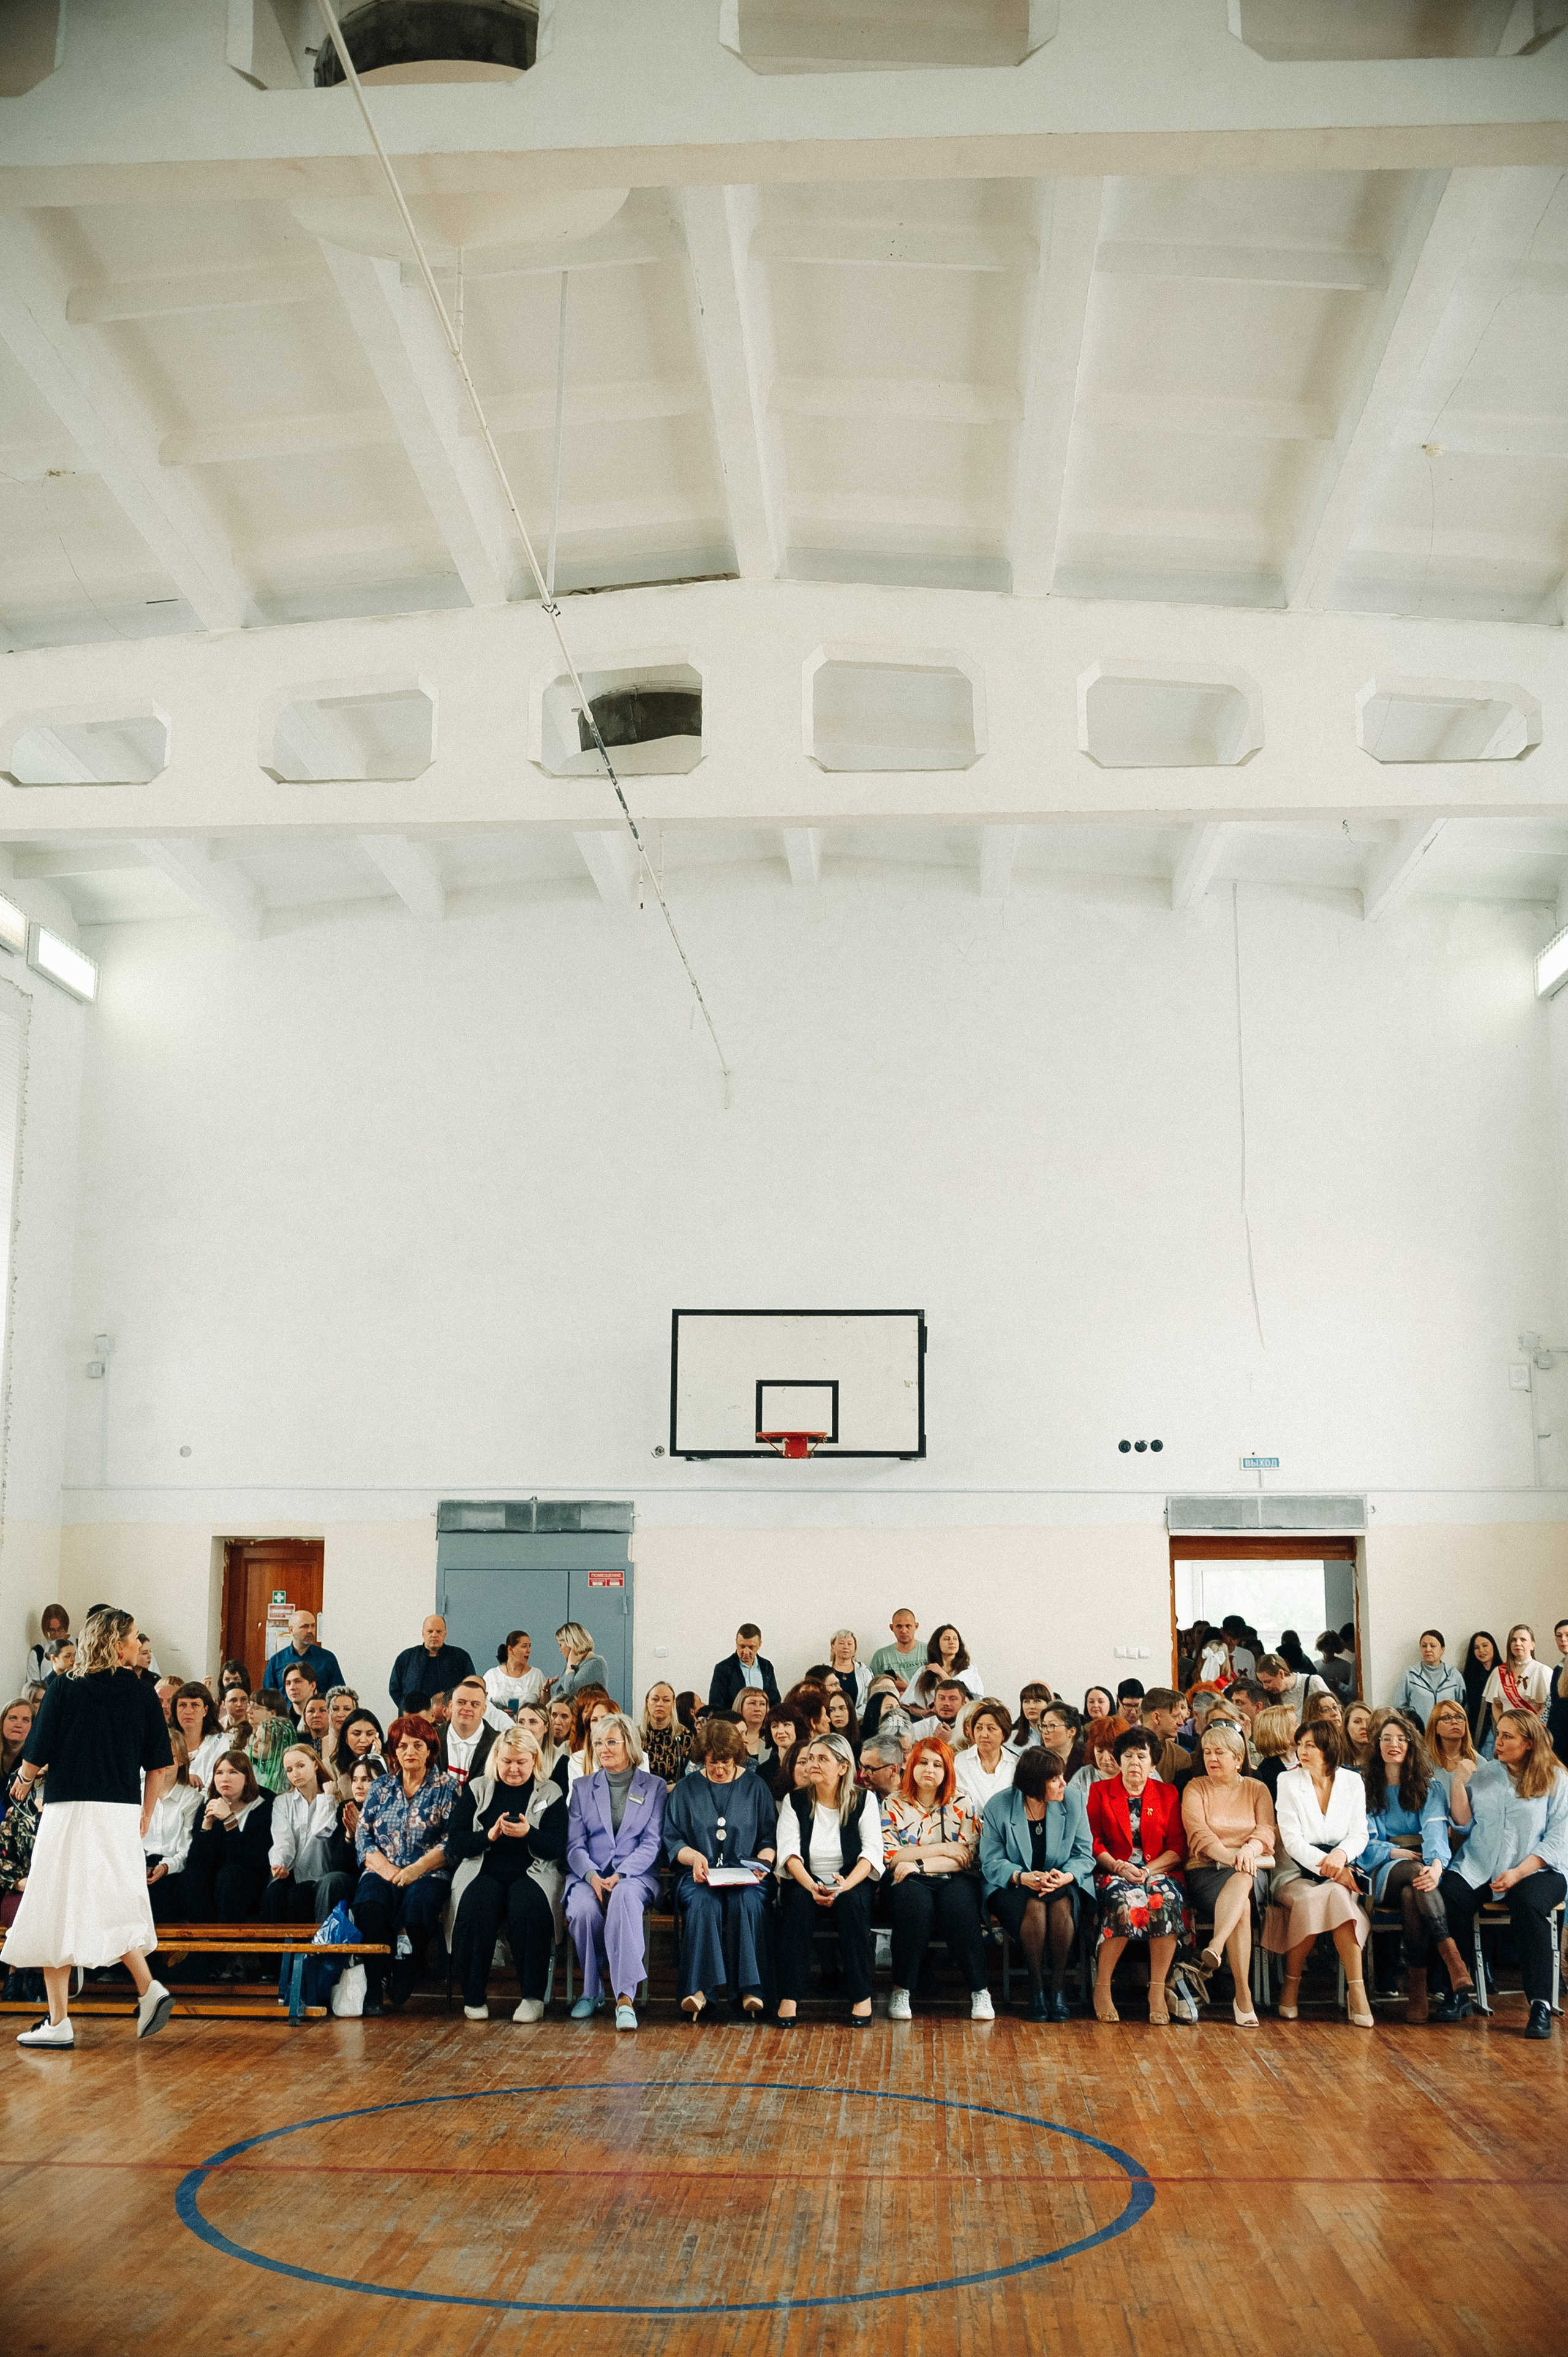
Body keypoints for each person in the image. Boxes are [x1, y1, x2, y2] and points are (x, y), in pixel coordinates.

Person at [4, 1608, 176, 2048]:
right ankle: (145, 1987)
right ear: (117, 1645)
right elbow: (160, 1765)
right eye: (136, 1638)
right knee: (110, 1899)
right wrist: (146, 1813)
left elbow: (38, 1748)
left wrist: (23, 1780)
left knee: (53, 1904)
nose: (140, 1645)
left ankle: (61, 2020)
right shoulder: (141, 1694)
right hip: (120, 1811)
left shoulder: (65, 1687)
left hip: (69, 1810)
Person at [1440, 1708, 1568, 2041]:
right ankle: (1461, 1988)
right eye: (1498, 1733)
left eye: (1507, 1736)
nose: (1498, 1741)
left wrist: (1517, 1873)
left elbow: (1559, 1839)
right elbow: (1463, 1824)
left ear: (1528, 1743)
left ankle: (1540, 2002)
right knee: (1451, 1894)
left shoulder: (1556, 1777)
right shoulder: (1486, 1773)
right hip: (1482, 1863)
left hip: (1540, 1868)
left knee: (1528, 1904)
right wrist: (1458, 1778)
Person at [447, 1724, 568, 2024]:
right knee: (475, 1906)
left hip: (533, 1871)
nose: (514, 1769)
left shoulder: (551, 1792)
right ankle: (473, 1996)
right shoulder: (477, 1788)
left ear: (534, 1761)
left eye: (521, 1762)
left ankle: (532, 1997)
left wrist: (529, 1834)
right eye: (507, 1762)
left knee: (528, 1907)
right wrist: (488, 1837)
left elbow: (557, 1846)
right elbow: (457, 1841)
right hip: (483, 1869)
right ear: (496, 1760)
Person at [1357, 1714, 1470, 2023]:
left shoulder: (1429, 1787)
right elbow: (1364, 1840)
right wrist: (1399, 1852)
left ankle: (1417, 1991)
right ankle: (1451, 1955)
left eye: (1401, 1739)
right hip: (1382, 1865)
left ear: (1411, 1746)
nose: (1394, 1745)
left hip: (1421, 1868)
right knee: (1410, 1873)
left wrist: (1436, 1866)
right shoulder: (1363, 1787)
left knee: (1412, 1894)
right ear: (1377, 1745)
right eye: (1386, 1739)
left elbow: (1435, 1830)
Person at [663, 1717, 778, 2019]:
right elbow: (673, 1840)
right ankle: (699, 1990)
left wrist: (763, 1864)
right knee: (702, 1904)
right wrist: (694, 1859)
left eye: (725, 1762)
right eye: (712, 1763)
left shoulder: (755, 1786)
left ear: (737, 1757)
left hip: (749, 1877)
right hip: (699, 1875)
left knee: (748, 1903)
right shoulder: (686, 1790)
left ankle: (752, 1989)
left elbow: (769, 1838)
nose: (718, 1769)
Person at [1266, 1718, 1373, 2027]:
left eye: (1310, 1745)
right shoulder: (1287, 1782)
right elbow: (1293, 1841)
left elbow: (1360, 1834)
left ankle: (1345, 1990)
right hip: (1294, 1872)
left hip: (1341, 1868)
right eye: (1300, 1745)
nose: (1302, 1751)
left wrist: (1340, 1856)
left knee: (1333, 1897)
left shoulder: (1353, 1782)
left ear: (1328, 1748)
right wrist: (1332, 1871)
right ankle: (1341, 1989)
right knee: (1320, 1897)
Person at [564, 1711, 666, 2030]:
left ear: (629, 1745)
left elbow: (652, 1843)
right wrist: (592, 1876)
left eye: (611, 1742)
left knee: (622, 1898)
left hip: (635, 1875)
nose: (604, 1749)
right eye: (598, 1743)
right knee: (582, 1910)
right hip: (588, 1873)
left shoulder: (654, 1786)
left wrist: (621, 1873)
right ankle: (591, 1990)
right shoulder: (582, 1788)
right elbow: (574, 1845)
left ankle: (624, 1998)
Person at [879, 1736, 991, 2021]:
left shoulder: (962, 1802)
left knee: (960, 1908)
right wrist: (943, 1848)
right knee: (914, 1907)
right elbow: (891, 1856)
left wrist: (917, 1863)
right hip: (909, 1881)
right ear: (911, 1765)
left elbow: (966, 1857)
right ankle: (901, 1988)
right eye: (923, 1762)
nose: (930, 1769)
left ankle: (980, 1991)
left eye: (938, 1764)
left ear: (947, 1770)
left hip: (953, 1877)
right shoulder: (892, 1803)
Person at [350, 1714, 456, 2013]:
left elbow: (452, 1841)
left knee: (419, 1903)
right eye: (402, 1745)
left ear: (430, 1749)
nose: (410, 1751)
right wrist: (388, 1870)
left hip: (428, 1873)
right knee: (370, 1905)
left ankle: (408, 1968)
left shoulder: (447, 1787)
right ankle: (373, 1985)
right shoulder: (380, 1787)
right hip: (382, 1869)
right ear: (394, 1752)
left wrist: (416, 1869)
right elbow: (363, 1836)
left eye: (417, 1745)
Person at [775, 1733, 883, 2027]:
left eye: (822, 1758)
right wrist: (811, 1885)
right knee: (797, 1906)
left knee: (851, 1905)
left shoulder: (864, 1800)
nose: (813, 1764)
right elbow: (789, 1853)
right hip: (805, 1880)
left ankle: (861, 1996)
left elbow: (872, 1853)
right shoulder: (795, 1800)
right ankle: (789, 1997)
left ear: (843, 1767)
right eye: (810, 1758)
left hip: (851, 1880)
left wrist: (845, 1884)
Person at [979, 1748, 1091, 2021]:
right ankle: (1036, 1987)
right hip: (1012, 1884)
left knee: (1061, 1904)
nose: (1064, 1783)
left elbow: (1084, 1854)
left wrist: (1066, 1876)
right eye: (1055, 1779)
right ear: (1034, 1783)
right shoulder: (999, 1806)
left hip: (1061, 1879)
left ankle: (1058, 1988)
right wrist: (1021, 1876)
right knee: (1035, 1906)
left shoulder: (1074, 1800)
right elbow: (990, 1861)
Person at [1085, 1727, 1188, 2026]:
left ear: (1153, 1763)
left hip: (1156, 1870)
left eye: (1141, 1756)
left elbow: (1178, 1846)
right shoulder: (1100, 1792)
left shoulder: (1168, 1793)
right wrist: (1119, 1867)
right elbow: (1092, 1842)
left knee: (1165, 1899)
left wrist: (1148, 1871)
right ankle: (1103, 1987)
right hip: (1113, 1870)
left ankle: (1157, 1990)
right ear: (1118, 1760)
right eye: (1128, 1756)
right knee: (1122, 1901)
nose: (1134, 1763)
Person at [1182, 1719, 1274, 2027]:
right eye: (1207, 1752)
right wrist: (1236, 1856)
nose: (1212, 1759)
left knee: (1245, 1885)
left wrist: (1250, 1850)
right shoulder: (1196, 1787)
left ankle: (1216, 1946)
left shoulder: (1257, 1788)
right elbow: (1200, 1835)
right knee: (1243, 1900)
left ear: (1238, 1759)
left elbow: (1266, 1830)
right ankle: (1243, 1994)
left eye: (1220, 1752)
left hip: (1252, 1867)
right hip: (1208, 1870)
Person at [183, 1749, 274, 1945]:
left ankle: (227, 1951)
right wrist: (206, 1825)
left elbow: (252, 1859)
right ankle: (206, 1947)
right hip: (218, 1880)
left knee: (231, 1875)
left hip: (251, 1880)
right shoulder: (211, 1804)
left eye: (233, 1772)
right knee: (191, 1878)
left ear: (247, 1778)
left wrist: (230, 1821)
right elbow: (197, 1862)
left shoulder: (265, 1804)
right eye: (219, 1773)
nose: (225, 1778)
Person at [260, 1744, 342, 1925]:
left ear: (315, 1765)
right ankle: (270, 1953)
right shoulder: (283, 1802)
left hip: (319, 1874)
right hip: (291, 1872)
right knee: (273, 1895)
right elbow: (283, 1840)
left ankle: (304, 1953)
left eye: (300, 1766)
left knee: (299, 1897)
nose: (295, 1774)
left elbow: (322, 1831)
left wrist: (327, 1798)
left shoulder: (332, 1800)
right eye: (289, 1770)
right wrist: (280, 1863)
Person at [143, 1729, 203, 1924]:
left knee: (162, 1892)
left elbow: (186, 1849)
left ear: (182, 1761)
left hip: (172, 1868)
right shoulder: (138, 1794)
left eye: (170, 1756)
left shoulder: (191, 1799)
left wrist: (166, 1867)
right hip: (140, 1865)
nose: (162, 1761)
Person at [388, 1616, 477, 1716]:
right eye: (430, 1631)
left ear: (445, 1633)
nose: (434, 1635)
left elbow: (470, 1688)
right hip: (413, 1719)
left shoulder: (460, 1657)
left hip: (449, 1718)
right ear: (423, 1633)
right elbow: (394, 1689)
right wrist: (408, 1709)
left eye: (439, 1632)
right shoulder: (406, 1657)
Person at [1482, 1624, 1552, 1733]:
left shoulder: (1542, 1671)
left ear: (1533, 1645)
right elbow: (1496, 1705)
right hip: (1507, 1731)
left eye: (1523, 1640)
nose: (1518, 1643)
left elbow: (1545, 1708)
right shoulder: (1499, 1672)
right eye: (1513, 1640)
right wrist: (1505, 1727)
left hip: (1532, 1731)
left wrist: (1530, 1730)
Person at [263, 1608, 343, 1701]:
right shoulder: (276, 1661)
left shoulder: (328, 1659)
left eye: (313, 1626)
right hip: (286, 1715)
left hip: (318, 1714)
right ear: (291, 1630)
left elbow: (339, 1696)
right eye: (305, 1626)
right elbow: (268, 1699)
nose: (310, 1630)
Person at [438, 1677, 499, 1790]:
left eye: (475, 1704)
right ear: (451, 1706)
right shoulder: (432, 1738)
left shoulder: (499, 1744)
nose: (467, 1708)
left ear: (483, 1710)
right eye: (462, 1702)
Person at [1392, 1630, 1466, 1721]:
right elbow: (1399, 1709)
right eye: (1424, 1646)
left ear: (1442, 1650)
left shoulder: (1454, 1675)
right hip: (1419, 1733)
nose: (1428, 1649)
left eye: (1433, 1646)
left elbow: (1463, 1707)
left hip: (1447, 1732)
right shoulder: (1410, 1675)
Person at [954, 1700, 1015, 1809]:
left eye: (991, 1729)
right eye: (979, 1728)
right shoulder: (960, 1761)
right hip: (971, 1823)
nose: (984, 1734)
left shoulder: (1015, 1763)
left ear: (1004, 1734)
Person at [707, 1623, 781, 1714]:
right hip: (734, 1724)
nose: (746, 1652)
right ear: (736, 1642)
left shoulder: (766, 1666)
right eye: (742, 1646)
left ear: (759, 1645)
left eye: (751, 1647)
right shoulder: (723, 1668)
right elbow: (716, 1705)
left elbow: (775, 1699)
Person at [170, 1682, 225, 1792]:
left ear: (205, 1711)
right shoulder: (166, 1739)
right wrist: (184, 1780)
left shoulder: (218, 1741)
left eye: (195, 1705)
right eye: (182, 1705)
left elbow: (216, 1783)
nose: (188, 1711)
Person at [912, 1626, 984, 1707]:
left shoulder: (969, 1669)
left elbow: (963, 1694)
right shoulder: (924, 1671)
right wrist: (924, 1713)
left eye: (955, 1639)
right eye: (947, 1639)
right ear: (937, 1644)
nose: (952, 1642)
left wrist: (941, 1672)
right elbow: (910, 1704)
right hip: (931, 1718)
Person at [1139, 1689, 1196, 1790]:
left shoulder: (1180, 1757)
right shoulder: (1122, 1750)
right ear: (1156, 1717)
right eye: (1175, 1717)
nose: (1181, 1723)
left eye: (1181, 1717)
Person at [485, 1630, 547, 1721]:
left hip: (526, 1731)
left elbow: (543, 1709)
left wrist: (546, 1690)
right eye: (524, 1646)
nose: (528, 1651)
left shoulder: (536, 1675)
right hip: (497, 1729)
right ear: (510, 1649)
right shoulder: (491, 1675)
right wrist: (498, 1710)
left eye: (530, 1646)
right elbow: (482, 1705)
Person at [638, 1683, 692, 1784]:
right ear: (647, 1702)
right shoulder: (635, 1736)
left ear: (673, 1704)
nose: (660, 1704)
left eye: (666, 1700)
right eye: (655, 1699)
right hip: (643, 1794)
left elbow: (692, 1776)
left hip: (675, 1794)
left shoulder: (685, 1736)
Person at [244, 1691, 295, 1794]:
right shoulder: (247, 1764)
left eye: (257, 1708)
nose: (249, 1711)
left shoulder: (286, 1776)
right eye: (255, 1738)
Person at [1256, 1653, 1328, 1724]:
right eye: (1262, 1682)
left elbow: (1331, 1713)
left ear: (1281, 1674)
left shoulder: (1313, 1682)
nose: (1265, 1687)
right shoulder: (1271, 1695)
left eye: (1268, 1681)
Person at [869, 1610, 925, 1695]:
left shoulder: (929, 1651)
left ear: (916, 1626)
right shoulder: (881, 1656)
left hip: (924, 1705)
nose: (904, 1630)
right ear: (892, 1628)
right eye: (899, 1626)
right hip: (892, 1705)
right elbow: (874, 1690)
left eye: (908, 1626)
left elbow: (937, 1688)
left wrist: (907, 1688)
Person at [1461, 1632, 1501, 1748]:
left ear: (1493, 1646)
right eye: (1477, 1648)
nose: (1481, 1651)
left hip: (1501, 1727)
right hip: (1477, 1730)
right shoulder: (1469, 1676)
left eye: (1485, 1646)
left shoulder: (1505, 1672)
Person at [554, 1623, 609, 1702]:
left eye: (560, 1645)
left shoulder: (596, 1663)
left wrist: (570, 1667)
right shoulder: (575, 1663)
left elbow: (571, 1694)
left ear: (571, 1643)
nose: (560, 1650)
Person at [21, 1605, 69, 1691]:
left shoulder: (79, 1647)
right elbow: (33, 1691)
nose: (57, 1634)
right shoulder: (37, 1654)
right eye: (53, 1630)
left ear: (66, 1627)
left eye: (60, 1629)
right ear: (47, 1629)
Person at [908, 1679, 968, 1744]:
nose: (946, 1703)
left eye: (952, 1699)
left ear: (964, 1703)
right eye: (942, 1699)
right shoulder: (918, 1729)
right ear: (935, 1702)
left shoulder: (971, 1729)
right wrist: (937, 1743)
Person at [733, 1684, 777, 1774]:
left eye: (762, 1704)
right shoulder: (730, 1737)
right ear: (740, 1706)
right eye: (752, 1703)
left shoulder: (773, 1739)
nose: (758, 1709)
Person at [1038, 1702, 1085, 1782]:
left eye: (1052, 1726)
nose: (1045, 1732)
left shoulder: (1086, 1759)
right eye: (1044, 1726)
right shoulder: (1036, 1759)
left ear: (1072, 1731)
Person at [1, 1697, 34, 1808]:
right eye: (13, 1718)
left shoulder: (33, 1760)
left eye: (26, 1720)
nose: (18, 1724)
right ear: (2, 1722)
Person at [827, 1629, 870, 1714]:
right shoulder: (824, 1670)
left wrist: (852, 1716)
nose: (846, 1647)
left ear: (855, 1649)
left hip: (858, 1721)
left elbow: (869, 1700)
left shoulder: (864, 1671)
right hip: (829, 1720)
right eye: (841, 1643)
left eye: (850, 1644)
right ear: (833, 1648)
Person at [858, 1732, 905, 1805]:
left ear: (893, 1770)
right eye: (861, 1766)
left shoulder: (916, 1797)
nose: (862, 1775)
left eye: (869, 1769)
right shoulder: (859, 1799)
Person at [1010, 1683, 1054, 1751]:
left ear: (1048, 1704)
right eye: (1026, 1702)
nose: (1031, 1707)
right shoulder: (1012, 1738)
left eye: (1037, 1701)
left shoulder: (1058, 1735)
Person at [1548, 1616, 1568, 1765]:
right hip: (1559, 1735)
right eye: (1559, 1636)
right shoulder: (1557, 1670)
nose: (1563, 1640)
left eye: (1567, 1635)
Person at [1315, 1631, 1355, 1698]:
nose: (1328, 1649)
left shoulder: (1346, 1666)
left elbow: (1353, 1692)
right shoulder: (1315, 1666)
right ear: (1321, 1646)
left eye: (1331, 1647)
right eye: (1325, 1646)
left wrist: (1339, 1685)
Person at [1342, 1700, 1374, 1769]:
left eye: (1368, 1721)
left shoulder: (1382, 1759)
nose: (1364, 1726)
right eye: (1357, 1722)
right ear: (1346, 1727)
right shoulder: (1338, 1764)